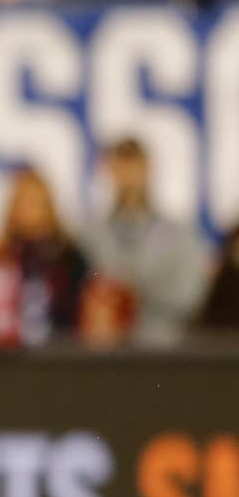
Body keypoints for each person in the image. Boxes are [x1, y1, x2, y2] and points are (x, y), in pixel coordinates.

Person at [78, 137, 208, 350]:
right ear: (110, 171)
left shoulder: (178, 234)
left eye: (135, 166)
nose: (129, 176)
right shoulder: (92, 235)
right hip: (106, 355)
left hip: (163, 350)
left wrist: (133, 291)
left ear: (148, 169)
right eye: (121, 167)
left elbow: (190, 297)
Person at [0, 167, 88, 349]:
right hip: (1, 358)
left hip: (57, 357)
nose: (30, 211)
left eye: (36, 203)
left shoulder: (68, 257)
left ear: (49, 207)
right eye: (23, 202)